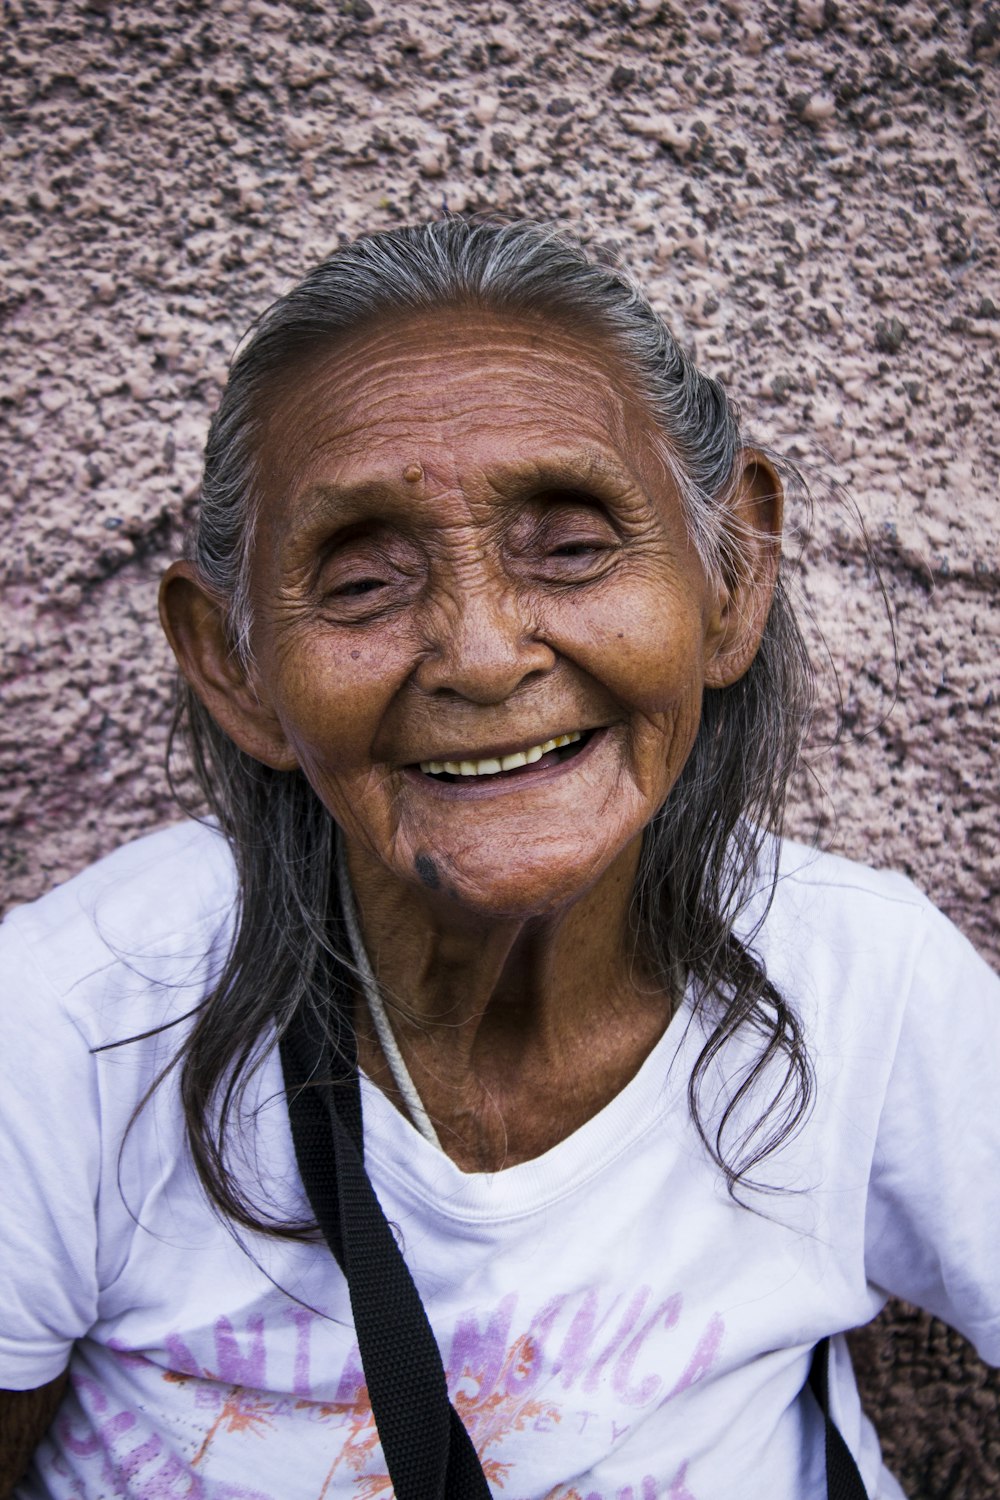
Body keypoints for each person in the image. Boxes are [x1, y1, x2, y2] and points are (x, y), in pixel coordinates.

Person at [0, 219, 997, 1500]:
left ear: (731, 576)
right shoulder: (69, 1029)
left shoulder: (861, 979)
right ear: (234, 668)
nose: (480, 654)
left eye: (573, 548)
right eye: (360, 582)